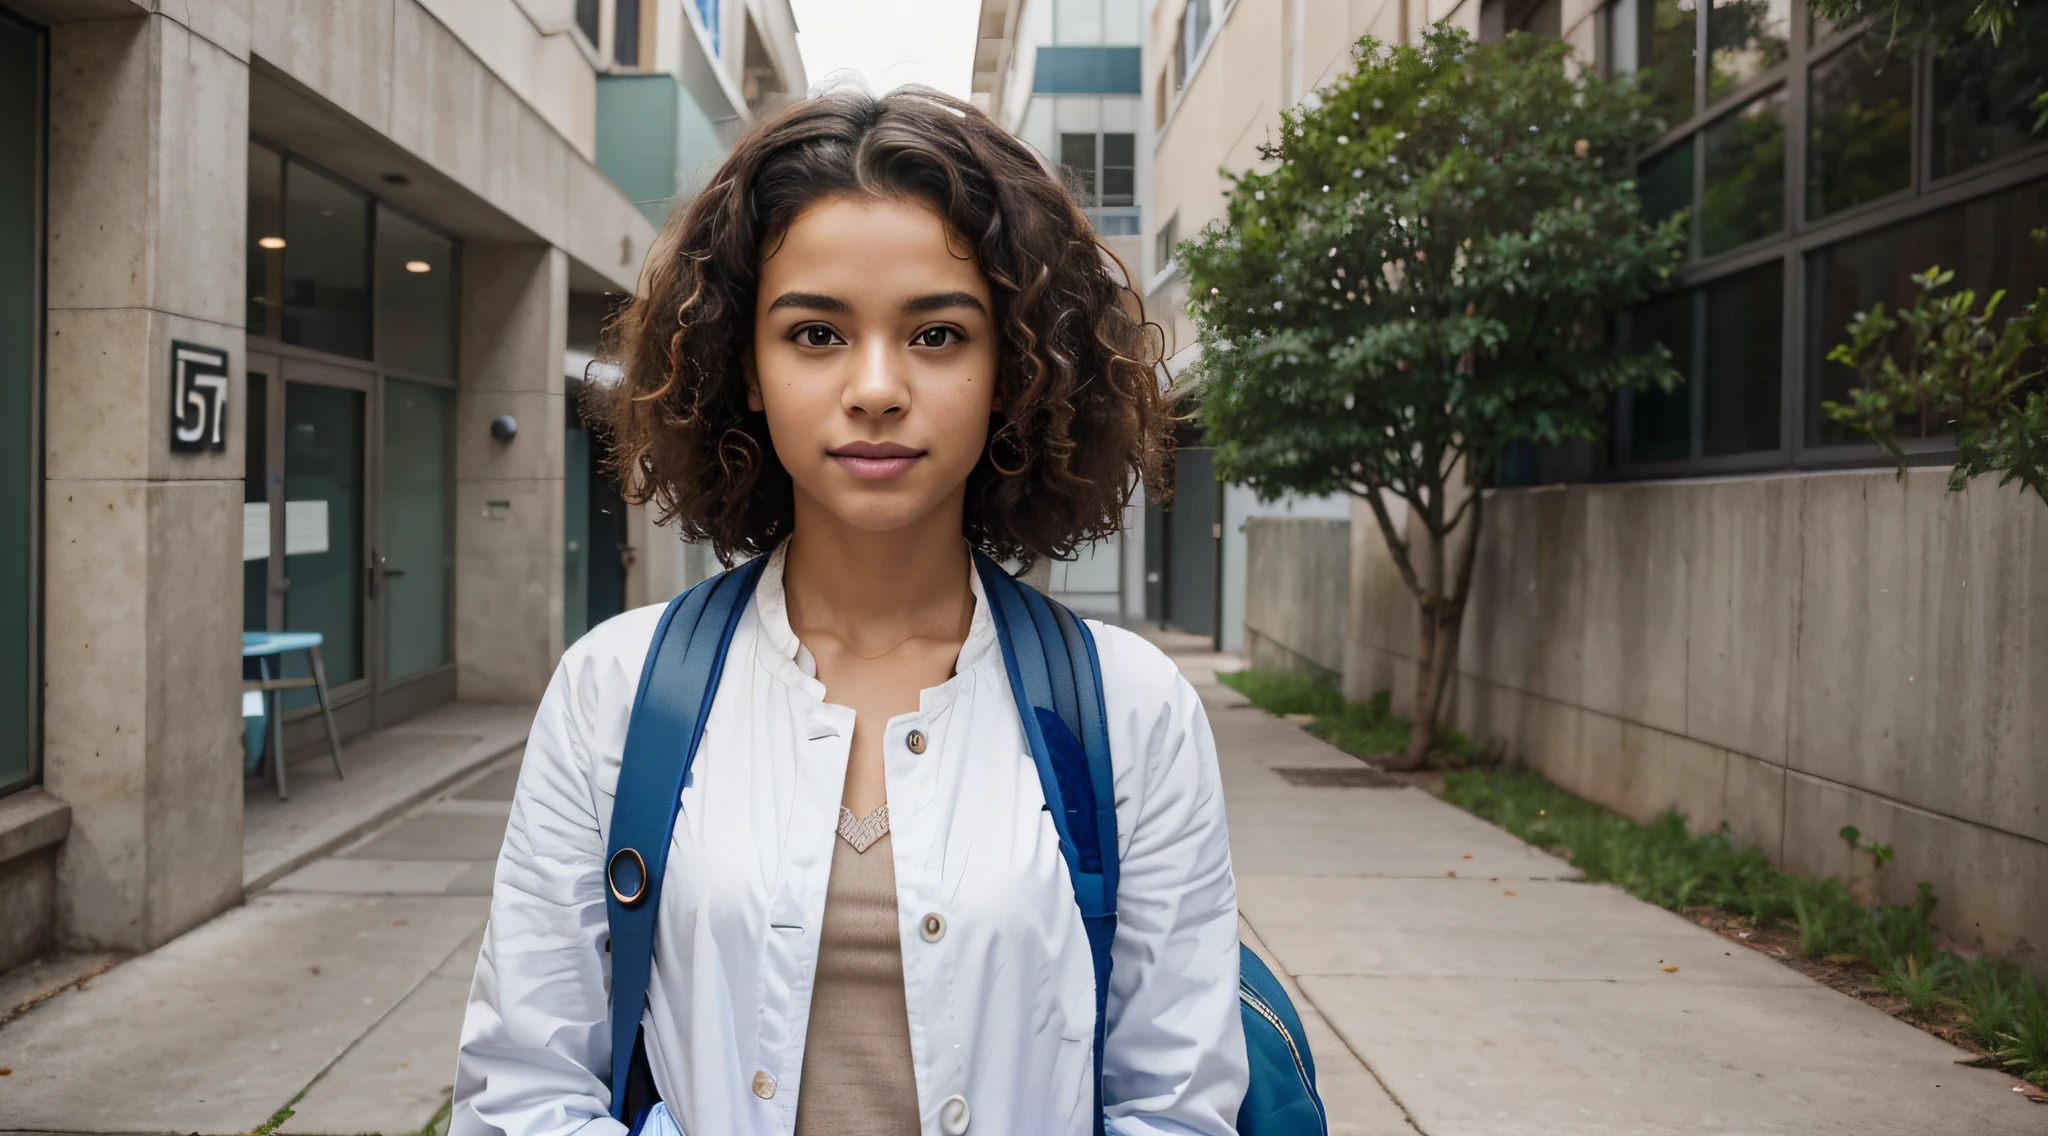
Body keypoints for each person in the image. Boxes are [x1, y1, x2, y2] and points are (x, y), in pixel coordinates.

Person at [451, 86, 1247, 1136]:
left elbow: (1177, 1105)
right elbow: (521, 1089)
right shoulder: (614, 690)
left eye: (937, 334)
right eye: (817, 331)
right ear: (744, 365)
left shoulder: (1130, 708)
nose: (875, 386)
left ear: (1013, 368)